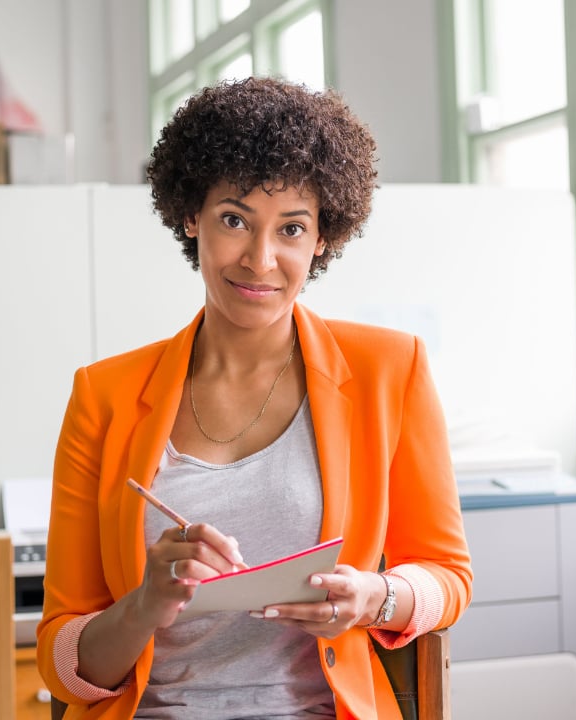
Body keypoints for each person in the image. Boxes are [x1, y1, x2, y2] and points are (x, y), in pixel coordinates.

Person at [37, 76, 473, 720]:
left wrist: (375, 595)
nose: (261, 259)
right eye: (234, 220)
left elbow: (447, 578)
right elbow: (63, 667)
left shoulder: (390, 368)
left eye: (292, 228)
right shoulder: (103, 395)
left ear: (323, 236)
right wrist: (145, 604)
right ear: (192, 217)